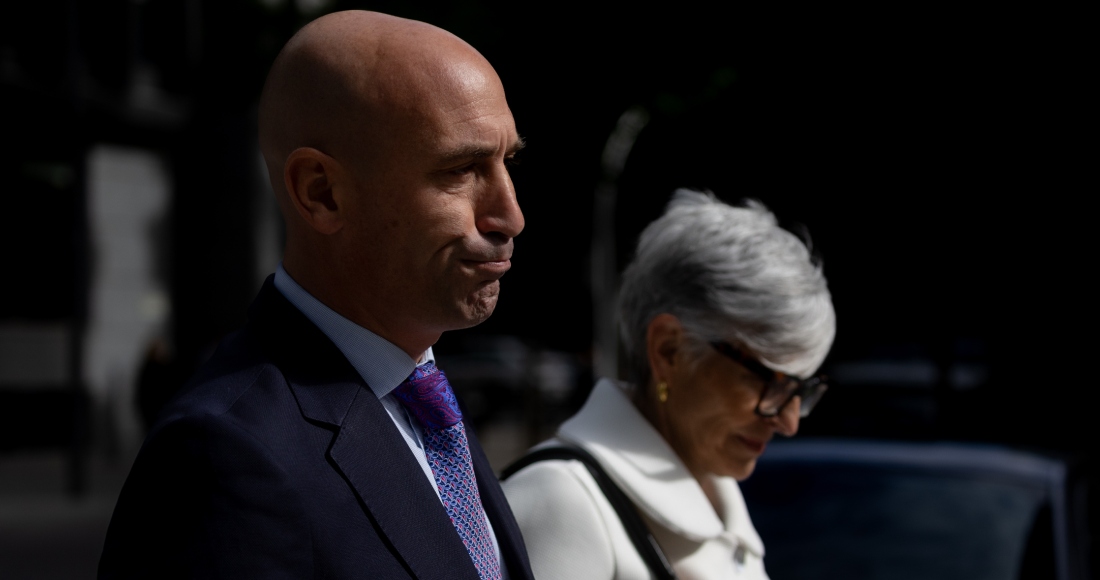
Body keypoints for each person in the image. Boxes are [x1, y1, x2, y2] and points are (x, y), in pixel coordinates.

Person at [99, 11, 534, 580]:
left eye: (507, 163)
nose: (511, 216)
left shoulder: (422, 399)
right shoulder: (225, 457)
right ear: (321, 193)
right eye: (461, 170)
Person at [502, 190, 835, 580]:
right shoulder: (563, 500)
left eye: (800, 389)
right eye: (770, 382)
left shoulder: (716, 496)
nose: (789, 422)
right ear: (669, 350)